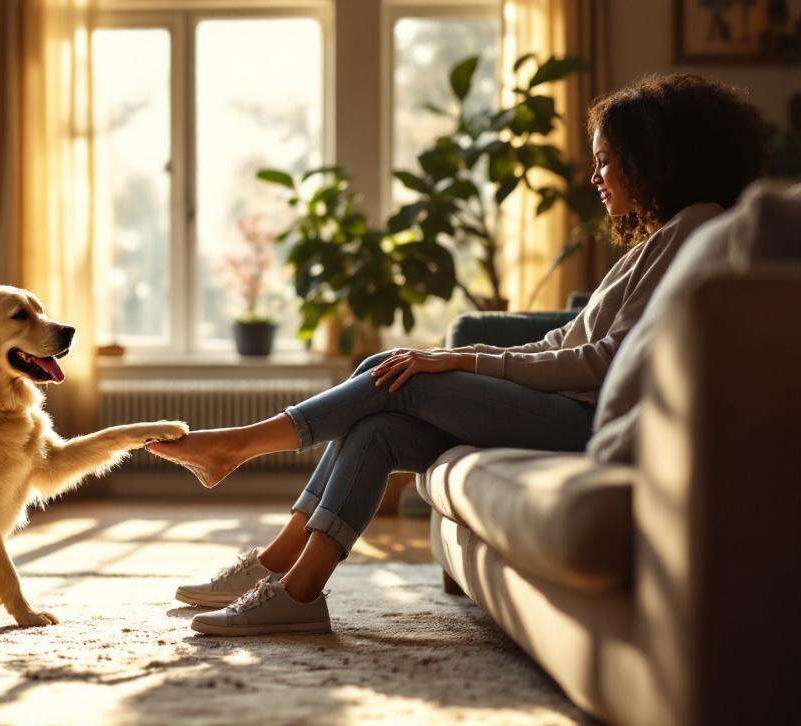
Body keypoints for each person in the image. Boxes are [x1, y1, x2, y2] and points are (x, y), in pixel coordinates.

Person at [149, 73, 769, 637]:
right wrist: (458, 355)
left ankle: (242, 447)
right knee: (383, 426)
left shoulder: (697, 226)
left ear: (650, 160)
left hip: (587, 425)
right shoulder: (657, 240)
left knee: (399, 376)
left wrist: (458, 363)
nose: (596, 177)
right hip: (566, 413)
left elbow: (603, 362)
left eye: (607, 161)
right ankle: (294, 583)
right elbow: (560, 343)